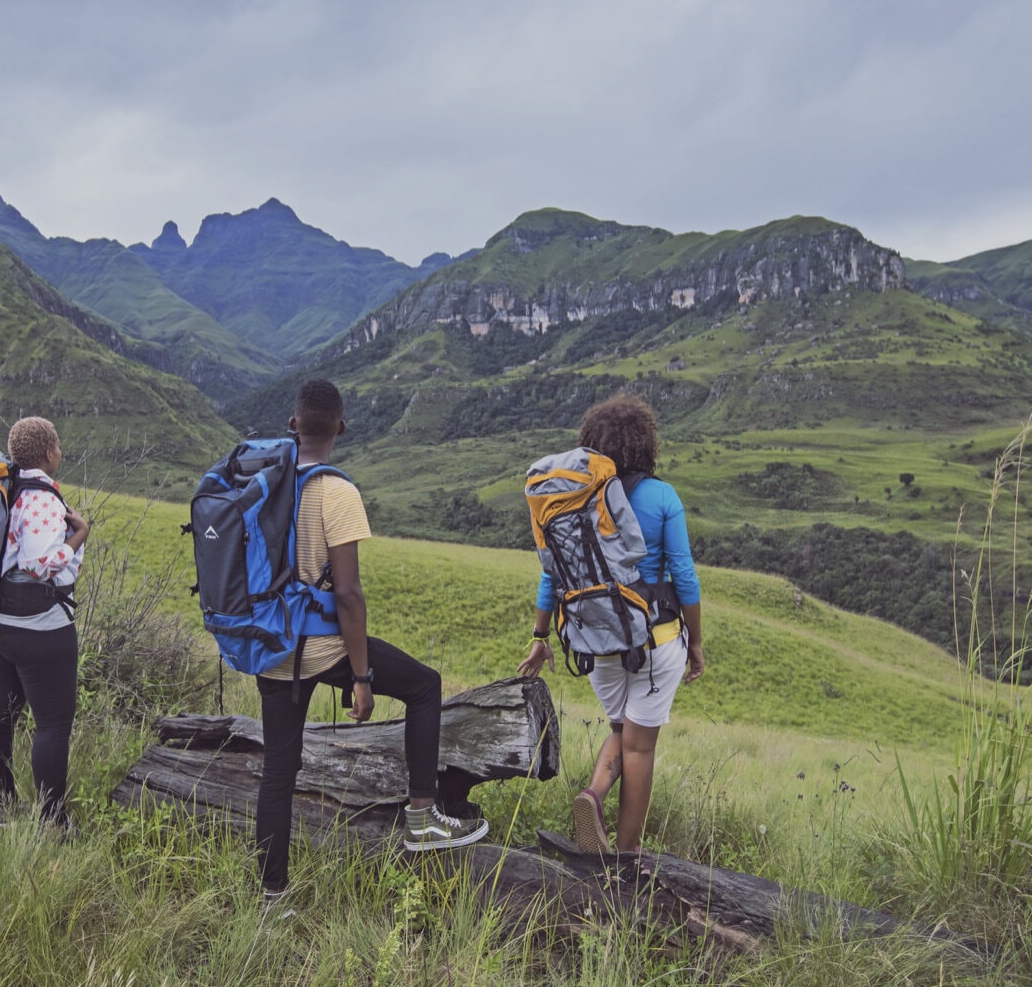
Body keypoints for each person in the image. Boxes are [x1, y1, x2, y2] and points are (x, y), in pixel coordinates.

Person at [255, 380, 489, 906]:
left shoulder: (263, 484)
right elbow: (348, 594)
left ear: (293, 425)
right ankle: (422, 818)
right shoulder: (337, 492)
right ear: (341, 428)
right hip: (322, 648)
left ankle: (271, 896)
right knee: (425, 686)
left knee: (278, 772)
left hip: (269, 646)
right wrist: (361, 678)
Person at [516, 395, 704, 853]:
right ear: (645, 443)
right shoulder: (662, 497)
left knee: (622, 733)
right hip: (654, 641)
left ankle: (594, 794)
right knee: (639, 747)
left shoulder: (575, 501)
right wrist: (696, 643)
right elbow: (685, 577)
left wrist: (540, 636)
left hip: (595, 640)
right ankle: (625, 856)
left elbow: (551, 575)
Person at [0, 416, 91, 831]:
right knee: (53, 725)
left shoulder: (5, 489)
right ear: (47, 453)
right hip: (37, 627)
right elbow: (38, 563)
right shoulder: (41, 498)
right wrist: (79, 534)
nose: (60, 451)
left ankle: (0, 811)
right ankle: (53, 823)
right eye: (57, 445)